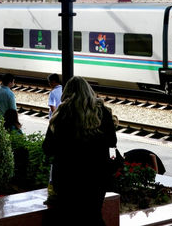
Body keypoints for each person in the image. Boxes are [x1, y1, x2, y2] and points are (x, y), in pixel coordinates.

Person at [42, 76, 117, 226]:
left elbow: (48, 148)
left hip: (67, 177)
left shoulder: (62, 113)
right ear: (89, 90)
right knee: (93, 214)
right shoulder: (102, 112)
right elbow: (112, 143)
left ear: (66, 93)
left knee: (71, 217)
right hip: (96, 176)